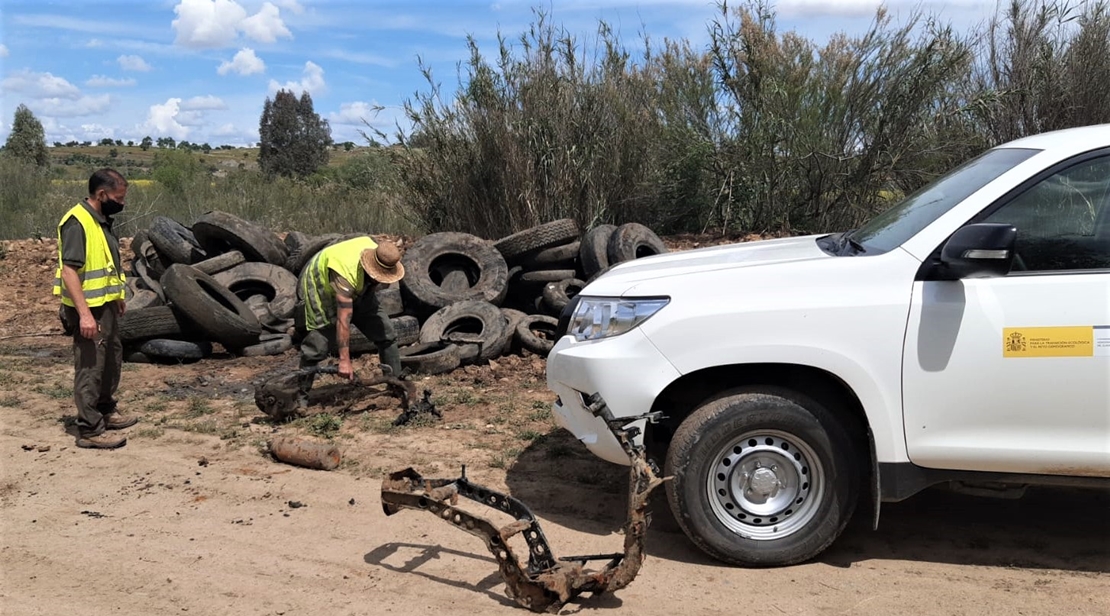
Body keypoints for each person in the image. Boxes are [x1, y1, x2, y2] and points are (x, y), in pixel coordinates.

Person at [53, 168, 138, 449]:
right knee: (91, 365)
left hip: (106, 305)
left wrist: (116, 296)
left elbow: (105, 265)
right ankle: (89, 429)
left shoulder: (101, 221)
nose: (122, 203)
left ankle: (105, 409)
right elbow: (69, 272)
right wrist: (85, 315)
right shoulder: (77, 222)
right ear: (102, 194)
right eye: (119, 197)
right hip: (87, 309)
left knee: (111, 359)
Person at [296, 236, 405, 407]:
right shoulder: (345, 275)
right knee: (318, 344)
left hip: (359, 283)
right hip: (321, 284)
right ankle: (299, 397)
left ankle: (396, 385)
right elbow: (343, 320)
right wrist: (344, 360)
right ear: (369, 267)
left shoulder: (382, 252)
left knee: (387, 334)